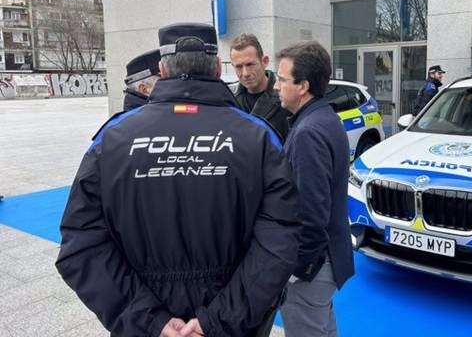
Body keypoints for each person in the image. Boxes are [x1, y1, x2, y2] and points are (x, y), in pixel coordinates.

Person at [56, 22, 301, 337]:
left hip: (151, 318)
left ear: (161, 68)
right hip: (235, 322)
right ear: (217, 68)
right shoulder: (259, 137)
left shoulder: (112, 139)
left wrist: (151, 321)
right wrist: (217, 320)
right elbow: (279, 241)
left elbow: (80, 245)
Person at [274, 41, 354, 337]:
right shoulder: (325, 119)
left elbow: (311, 214)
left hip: (312, 269)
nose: (276, 87)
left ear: (303, 86)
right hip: (326, 261)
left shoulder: (309, 132)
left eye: (282, 80)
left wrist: (295, 271)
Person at [231, 33, 290, 140]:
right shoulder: (229, 101)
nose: (245, 73)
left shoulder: (287, 98)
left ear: (265, 61)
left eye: (250, 65)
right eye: (239, 67)